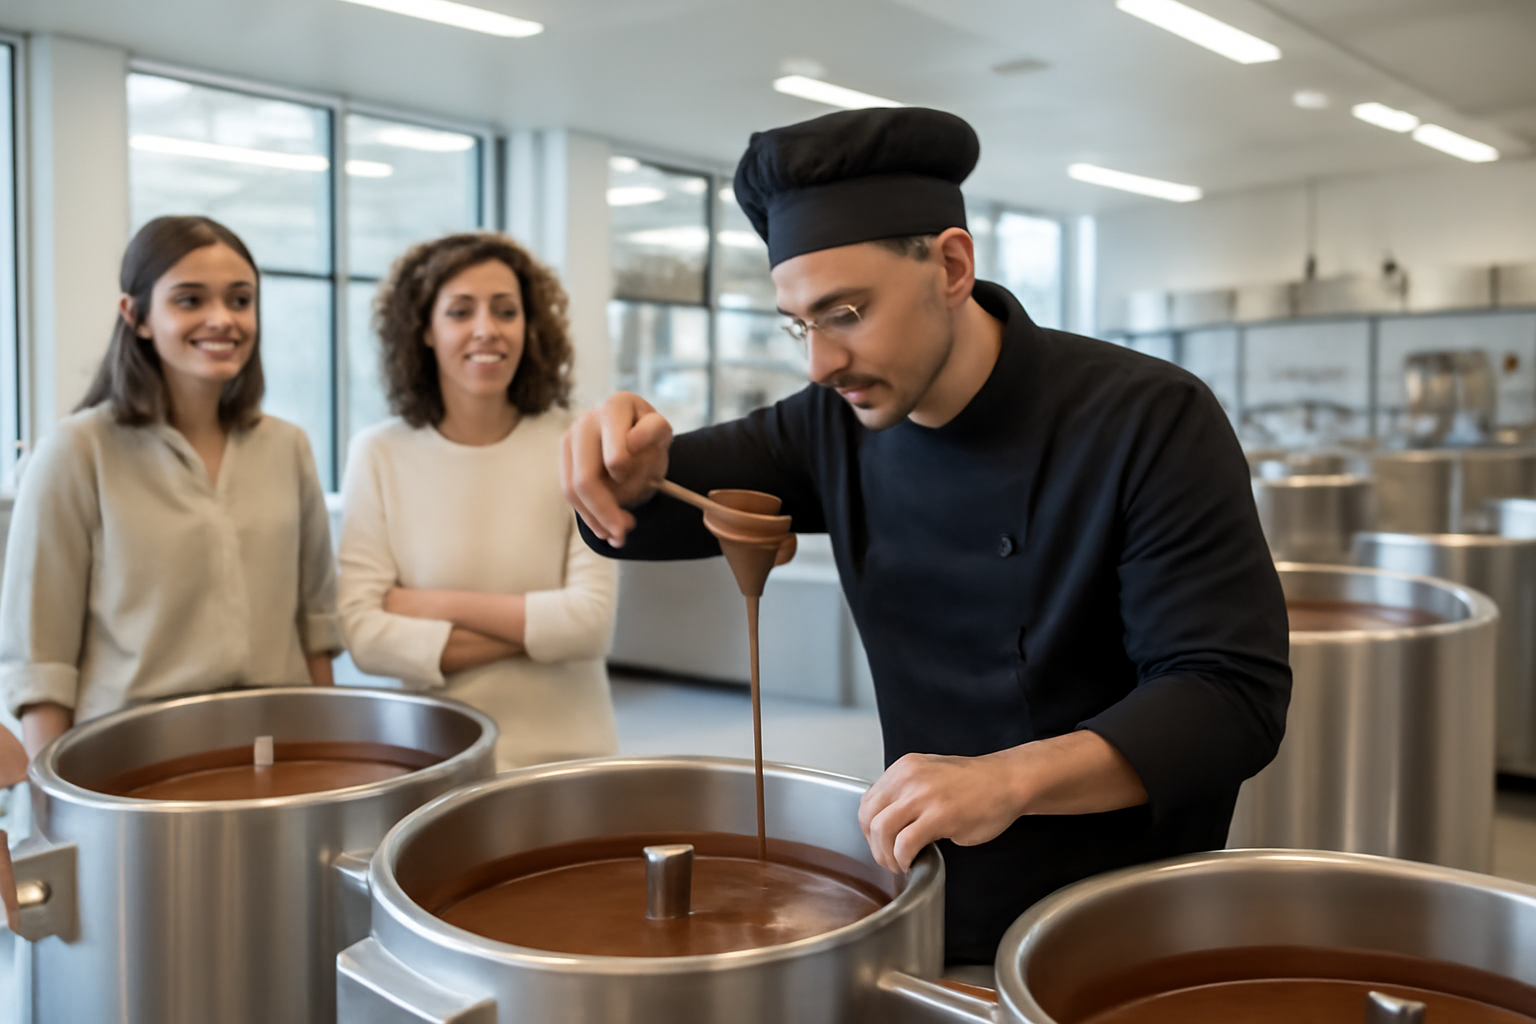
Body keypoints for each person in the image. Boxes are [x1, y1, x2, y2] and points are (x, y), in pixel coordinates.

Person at [563, 107, 1291, 964]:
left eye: (845, 312)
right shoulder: (829, 427)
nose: (820, 363)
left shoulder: (1147, 418)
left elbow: (1227, 699)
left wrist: (1008, 777)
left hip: (1123, 918)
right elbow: (639, 516)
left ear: (950, 264)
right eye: (799, 324)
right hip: (928, 885)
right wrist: (607, 455)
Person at [1, 215, 341, 759]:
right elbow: (41, 665)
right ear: (135, 316)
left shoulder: (288, 447)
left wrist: (332, 759)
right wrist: (56, 812)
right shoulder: (77, 450)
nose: (221, 319)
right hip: (128, 770)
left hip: (277, 758)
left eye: (239, 300)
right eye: (189, 300)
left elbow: (316, 630)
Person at [339, 232, 619, 770]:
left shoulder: (578, 443)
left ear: (529, 326)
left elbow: (589, 626)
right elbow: (365, 637)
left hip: (571, 758)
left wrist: (429, 605)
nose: (486, 330)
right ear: (423, 330)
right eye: (460, 311)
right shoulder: (379, 454)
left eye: (506, 311)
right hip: (435, 760)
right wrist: (540, 631)